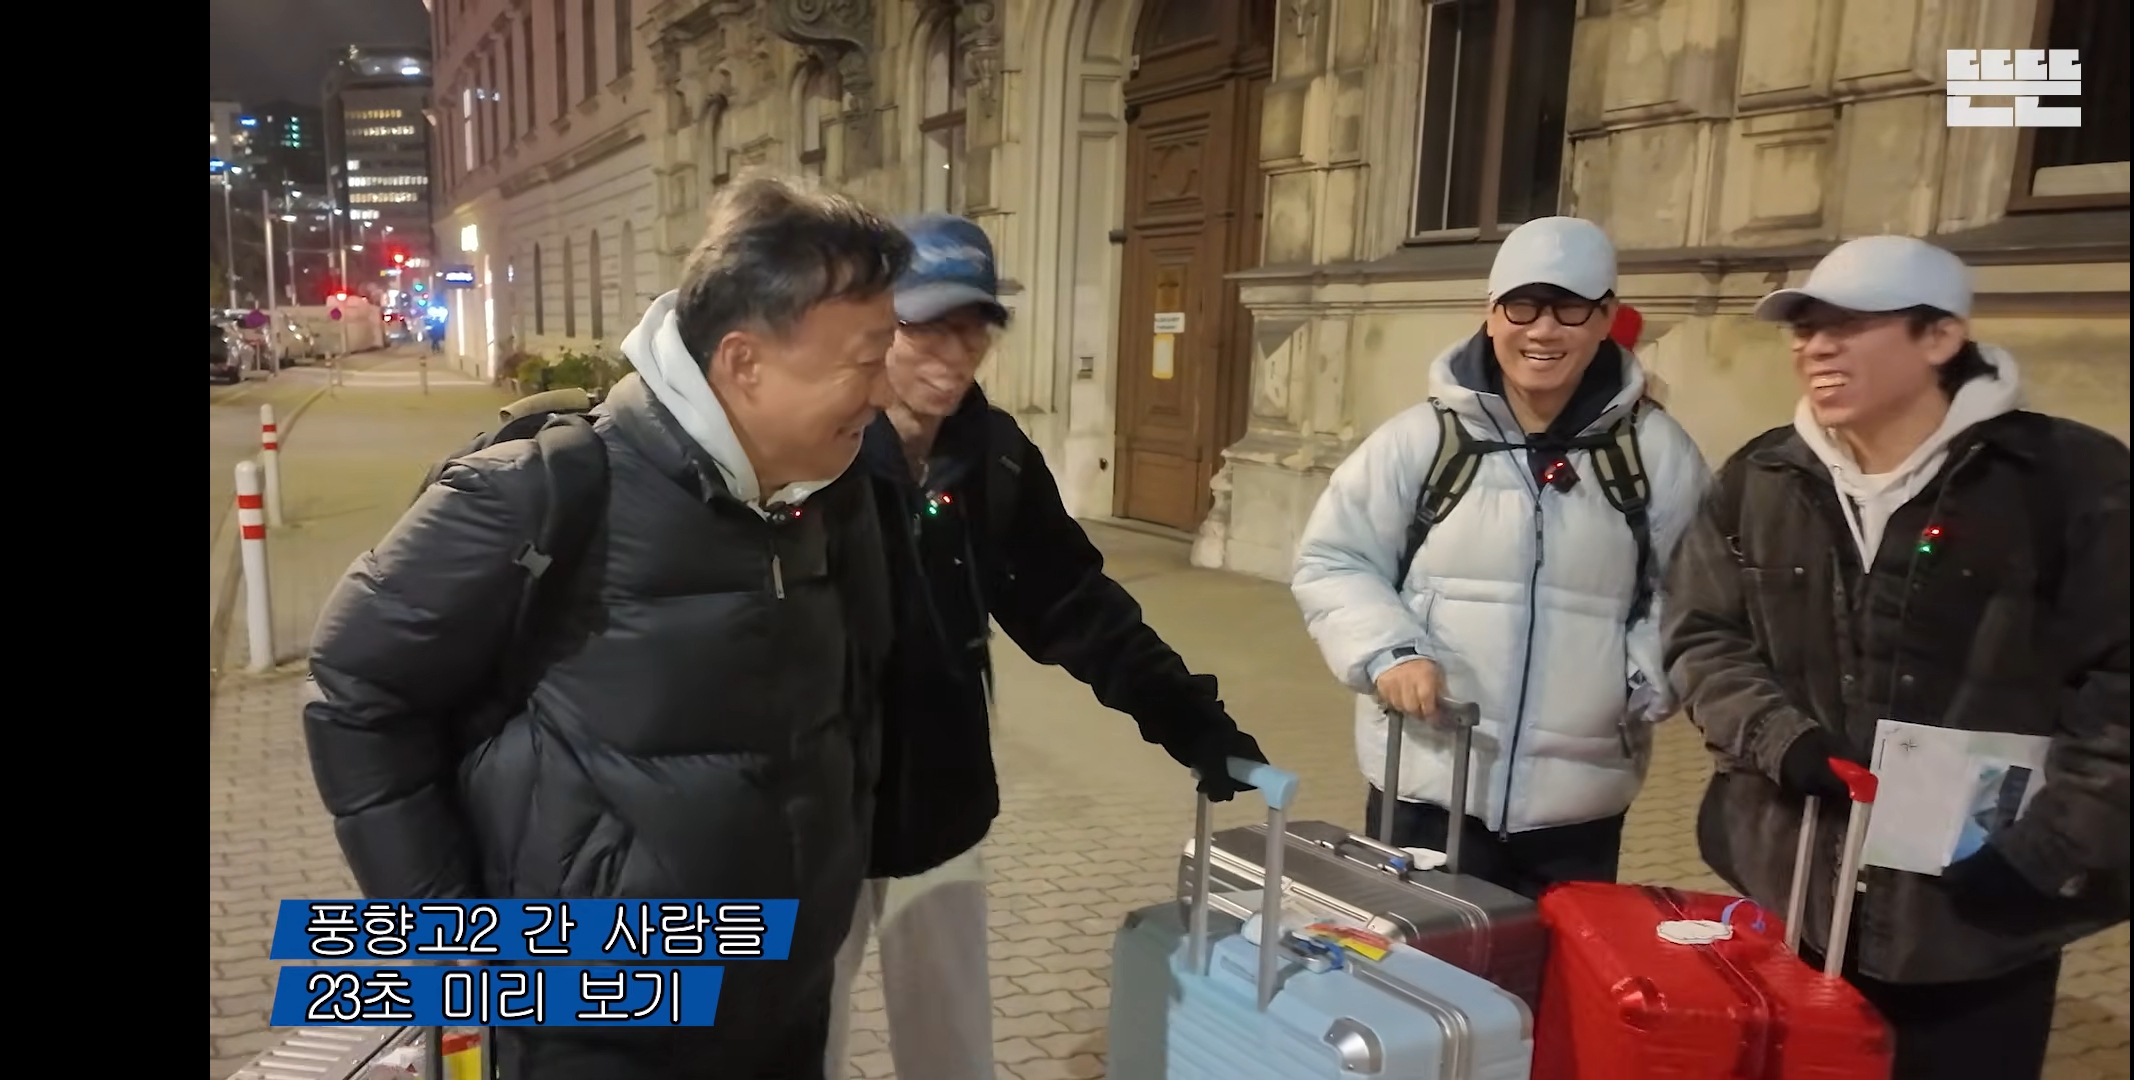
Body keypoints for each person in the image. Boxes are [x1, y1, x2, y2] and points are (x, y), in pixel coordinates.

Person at [302, 171, 912, 1080]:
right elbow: (356, 690)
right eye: (865, 361)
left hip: (780, 1000)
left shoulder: (825, 495)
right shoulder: (543, 489)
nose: (885, 390)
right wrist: (455, 952)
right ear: (744, 362)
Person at [1663, 235, 2129, 1080]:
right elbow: (1700, 635)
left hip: (1980, 917)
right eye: (1805, 328)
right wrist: (1781, 741)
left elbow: (2119, 687)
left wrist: (2048, 852)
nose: (1816, 347)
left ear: (1940, 337)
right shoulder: (1762, 476)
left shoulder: (2069, 481)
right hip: (1796, 891)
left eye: (1848, 325)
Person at [823, 213, 1269, 1080]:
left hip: (940, 805)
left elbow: (1074, 604)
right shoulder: (815, 451)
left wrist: (1190, 720)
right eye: (929, 327)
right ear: (881, 325)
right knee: (794, 1043)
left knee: (952, 1050)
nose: (955, 354)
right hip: (816, 814)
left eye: (975, 329)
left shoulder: (995, 458)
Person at [1288, 216, 1711, 899]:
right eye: (1523, 306)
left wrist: (1639, 676)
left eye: (1570, 309)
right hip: (1427, 781)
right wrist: (1390, 653)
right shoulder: (1418, 442)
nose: (1543, 330)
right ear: (1491, 315)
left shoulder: (1657, 454)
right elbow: (1334, 560)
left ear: (1606, 319)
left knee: (1555, 965)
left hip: (1579, 801)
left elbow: (1695, 590)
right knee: (1426, 961)